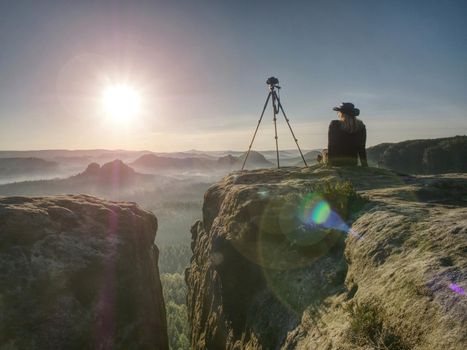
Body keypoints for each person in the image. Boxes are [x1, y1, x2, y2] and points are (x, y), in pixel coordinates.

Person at [327, 102, 367, 166]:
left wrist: (329, 165)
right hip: (352, 163)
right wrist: (365, 166)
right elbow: (361, 149)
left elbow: (331, 146)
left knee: (324, 152)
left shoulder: (334, 125)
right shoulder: (361, 127)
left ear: (341, 114)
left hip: (336, 163)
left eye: (338, 112)